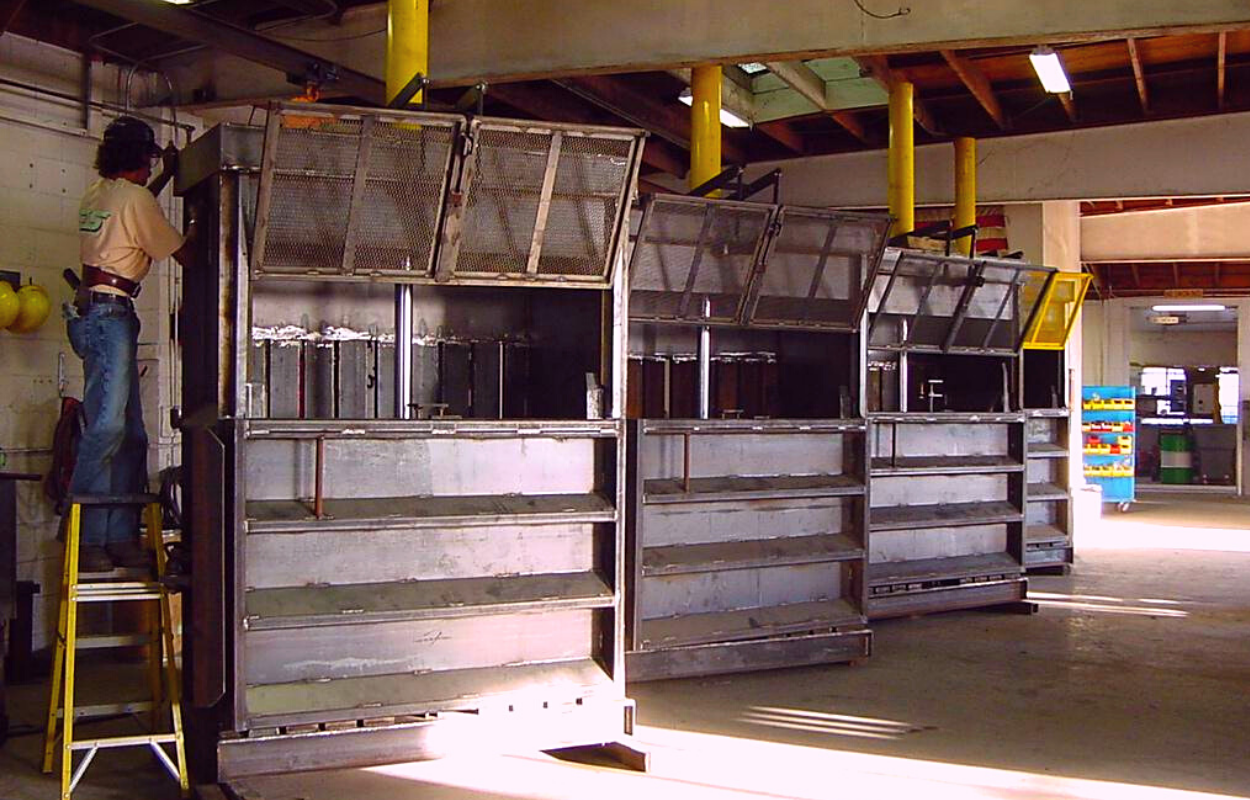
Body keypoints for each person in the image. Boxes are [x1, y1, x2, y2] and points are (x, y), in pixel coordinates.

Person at [69, 116, 195, 572]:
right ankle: (82, 533)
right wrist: (202, 217)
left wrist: (164, 178)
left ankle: (118, 537)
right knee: (106, 428)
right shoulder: (136, 199)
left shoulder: (100, 194)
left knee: (133, 436)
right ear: (140, 159)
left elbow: (135, 212)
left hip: (97, 311)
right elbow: (184, 253)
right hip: (111, 317)